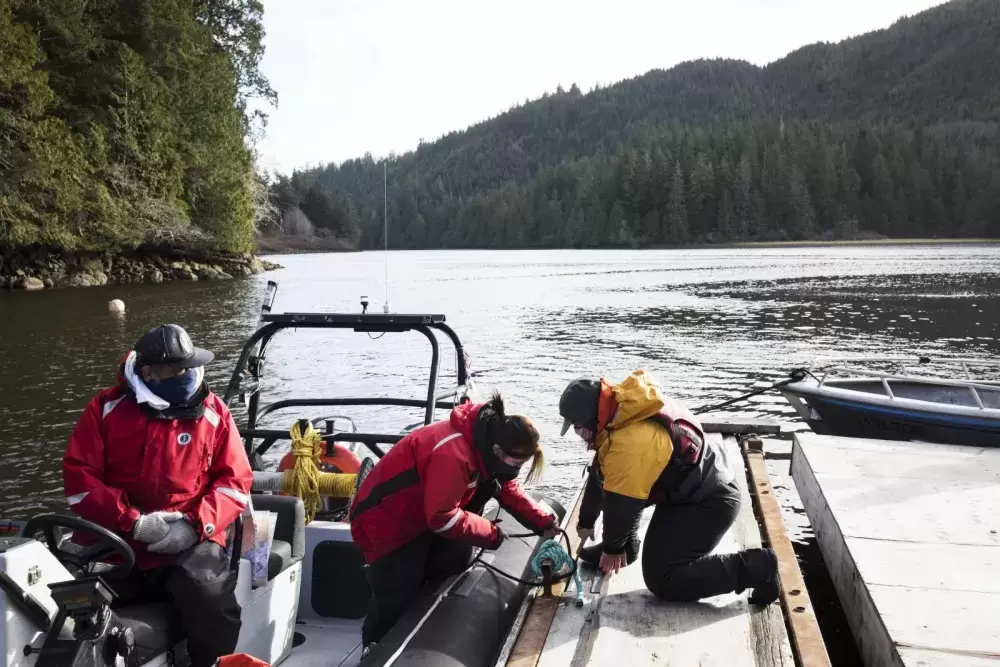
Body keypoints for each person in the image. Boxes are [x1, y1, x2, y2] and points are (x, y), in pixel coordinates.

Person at [63, 324, 253, 667]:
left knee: (211, 601)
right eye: (177, 369)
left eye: (189, 366)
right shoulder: (105, 408)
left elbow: (234, 483)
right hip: (117, 537)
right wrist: (133, 523)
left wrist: (195, 526)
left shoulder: (214, 411)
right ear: (149, 372)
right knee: (67, 601)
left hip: (192, 537)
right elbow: (79, 481)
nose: (187, 374)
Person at [350, 392, 557, 650]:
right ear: (497, 450)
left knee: (448, 567)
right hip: (388, 523)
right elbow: (442, 518)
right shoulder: (452, 453)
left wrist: (542, 521)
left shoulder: (488, 444)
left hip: (424, 516)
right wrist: (491, 533)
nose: (517, 468)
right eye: (517, 462)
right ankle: (374, 648)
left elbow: (507, 488)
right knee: (398, 591)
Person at [558, 370, 779, 605]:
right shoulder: (620, 414)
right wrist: (586, 522)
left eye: (578, 426)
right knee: (623, 490)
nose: (578, 433)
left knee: (662, 578)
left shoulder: (631, 444)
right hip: (686, 492)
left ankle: (757, 568)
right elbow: (600, 476)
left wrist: (613, 548)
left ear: (592, 416)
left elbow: (624, 504)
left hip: (711, 500)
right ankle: (629, 547)